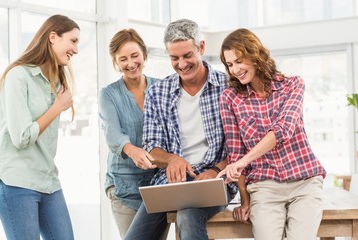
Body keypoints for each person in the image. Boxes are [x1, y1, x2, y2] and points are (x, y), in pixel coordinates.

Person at [124, 19, 240, 240]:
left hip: (216, 181)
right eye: (174, 58)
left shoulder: (229, 86)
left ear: (201, 47)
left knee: (188, 215)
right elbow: (152, 148)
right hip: (170, 184)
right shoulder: (158, 92)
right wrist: (171, 159)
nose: (182, 64)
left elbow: (242, 146)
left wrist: (216, 171)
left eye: (187, 55)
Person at [217, 28, 327, 240]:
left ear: (256, 55)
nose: (235, 70)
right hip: (264, 187)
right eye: (230, 65)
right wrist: (245, 200)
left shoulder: (293, 85)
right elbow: (235, 151)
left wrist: (243, 161)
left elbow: (283, 129)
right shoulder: (230, 98)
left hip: (304, 182)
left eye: (239, 61)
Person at [0, 14, 79, 240]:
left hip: (48, 180)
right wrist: (57, 107)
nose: (76, 49)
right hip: (17, 181)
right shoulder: (18, 76)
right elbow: (21, 137)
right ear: (53, 37)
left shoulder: (55, 81)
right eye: (73, 41)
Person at [98, 28, 159, 238]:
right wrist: (133, 151)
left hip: (157, 185)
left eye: (135, 56)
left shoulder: (160, 88)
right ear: (116, 62)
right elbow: (112, 133)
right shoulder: (108, 94)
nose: (131, 63)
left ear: (144, 55)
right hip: (124, 187)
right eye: (123, 59)